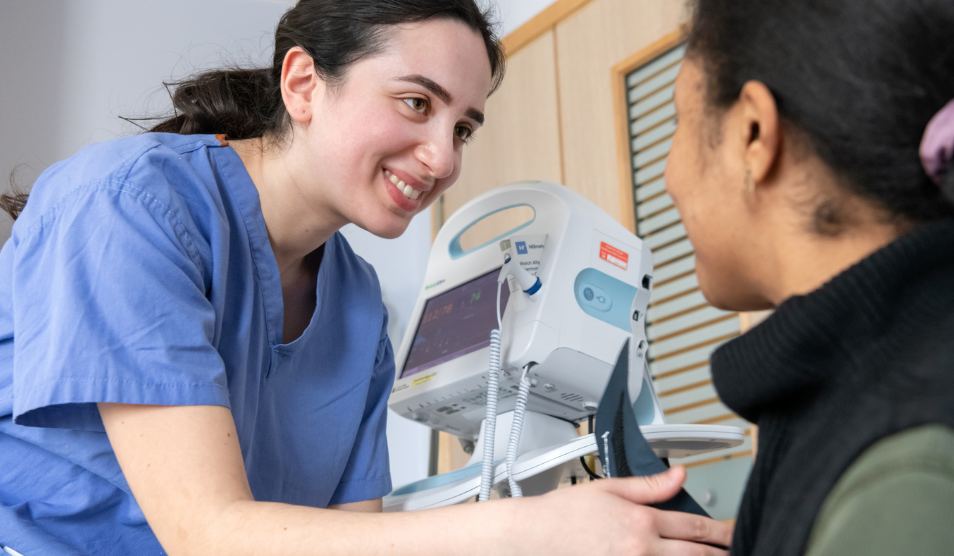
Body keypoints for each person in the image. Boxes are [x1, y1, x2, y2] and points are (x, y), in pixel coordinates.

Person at [0, 1, 734, 555]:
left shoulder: (355, 306)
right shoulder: (128, 206)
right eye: (416, 103)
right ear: (303, 85)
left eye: (463, 128)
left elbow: (351, 539)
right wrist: (527, 529)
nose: (444, 159)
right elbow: (208, 534)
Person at [666, 0, 954, 555]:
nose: (667, 176)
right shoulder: (848, 395)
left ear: (754, 132)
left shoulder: (909, 475)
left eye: (679, 121)